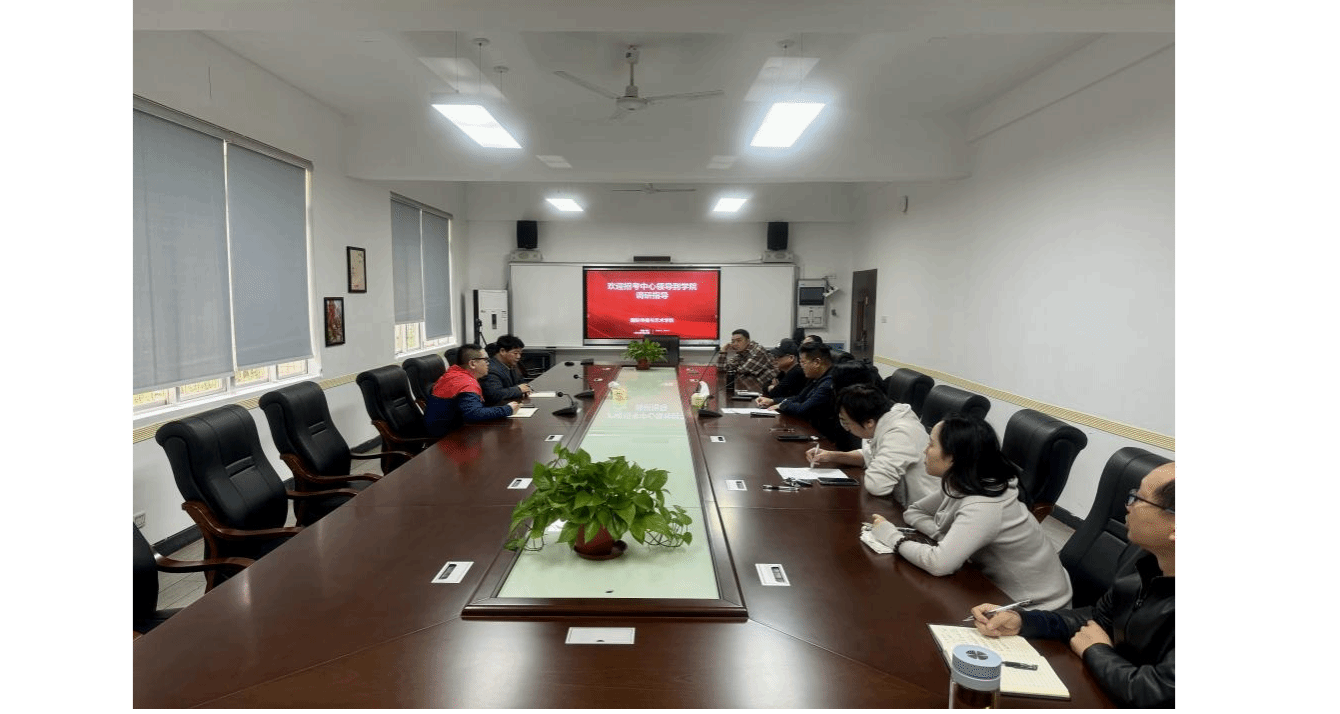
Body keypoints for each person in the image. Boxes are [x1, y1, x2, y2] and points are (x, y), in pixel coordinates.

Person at [970, 463, 1175, 709]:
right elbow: (1096, 619)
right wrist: (1023, 620)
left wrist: (1096, 650)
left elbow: (1157, 694)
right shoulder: (1144, 559)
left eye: (1138, 499)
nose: (1128, 506)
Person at [869, 413, 1073, 611]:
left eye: (931, 444)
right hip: (992, 588)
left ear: (953, 457)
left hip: (1035, 608)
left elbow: (939, 564)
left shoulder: (984, 504)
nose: (925, 450)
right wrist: (944, 536)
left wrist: (891, 537)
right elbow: (914, 512)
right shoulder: (964, 482)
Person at [806, 384, 939, 507]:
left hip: (925, 511)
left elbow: (877, 485)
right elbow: (868, 455)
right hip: (901, 505)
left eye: (846, 422)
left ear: (868, 422)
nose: (846, 428)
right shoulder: (880, 421)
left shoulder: (900, 434)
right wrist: (832, 456)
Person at [762, 343, 855, 450]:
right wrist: (773, 401)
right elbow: (799, 398)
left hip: (826, 440)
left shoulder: (829, 382)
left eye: (803, 362)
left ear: (817, 362)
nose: (801, 366)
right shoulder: (817, 378)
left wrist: (781, 405)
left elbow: (803, 409)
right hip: (814, 431)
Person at [423, 344, 519, 437]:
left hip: (450, 430)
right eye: (485, 360)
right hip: (447, 438)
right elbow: (474, 414)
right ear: (472, 364)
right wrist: (507, 409)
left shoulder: (454, 373)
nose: (488, 363)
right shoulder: (466, 382)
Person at [480, 334, 533, 406]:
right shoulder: (491, 369)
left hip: (511, 404)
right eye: (515, 353)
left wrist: (525, 388)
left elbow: (520, 382)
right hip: (497, 408)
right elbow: (495, 394)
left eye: (520, 353)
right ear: (502, 351)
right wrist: (519, 389)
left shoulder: (510, 364)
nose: (518, 356)